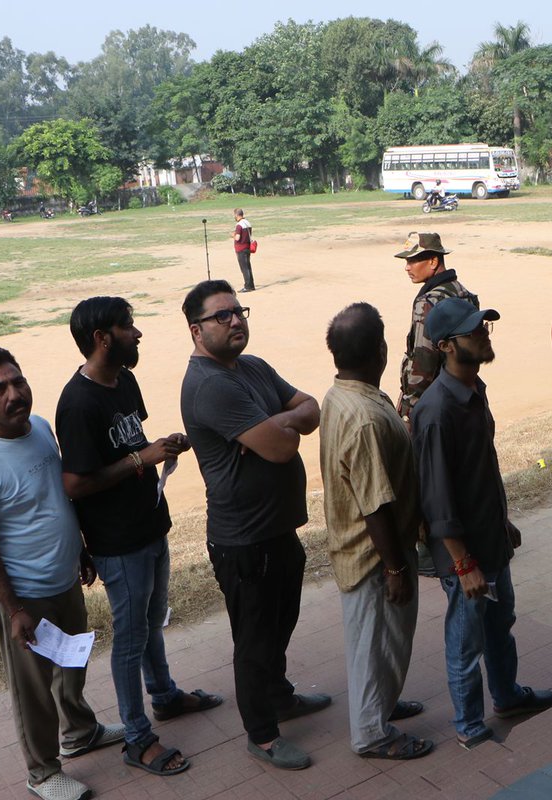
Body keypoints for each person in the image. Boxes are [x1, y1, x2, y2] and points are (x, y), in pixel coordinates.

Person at [55, 297, 223, 778]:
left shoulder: (123, 380)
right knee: (129, 639)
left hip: (149, 523)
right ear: (102, 338)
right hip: (118, 541)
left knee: (152, 621)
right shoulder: (78, 402)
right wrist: (139, 461)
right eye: (127, 327)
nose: (138, 333)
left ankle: (165, 696)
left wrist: (160, 448)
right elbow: (75, 483)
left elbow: (134, 442)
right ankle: (137, 736)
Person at [0, 347, 124, 800]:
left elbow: (57, 498)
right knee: (32, 691)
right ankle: (43, 772)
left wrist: (80, 551)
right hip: (25, 595)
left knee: (71, 666)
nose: (14, 394)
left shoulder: (43, 429)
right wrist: (13, 608)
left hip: (65, 576)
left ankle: (80, 732)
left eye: (18, 381)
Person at [179, 280, 327, 770]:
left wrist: (270, 423)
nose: (236, 320)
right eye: (222, 316)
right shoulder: (209, 385)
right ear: (196, 330)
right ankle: (261, 735)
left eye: (238, 310)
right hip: (243, 540)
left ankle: (280, 695)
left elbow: (311, 408)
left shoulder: (254, 368)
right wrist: (280, 425)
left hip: (276, 530)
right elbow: (287, 445)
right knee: (255, 640)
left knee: (280, 623)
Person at [414, 297, 552, 749]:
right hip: (465, 554)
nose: (483, 335)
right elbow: (436, 497)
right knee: (466, 637)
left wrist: (502, 520)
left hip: (489, 537)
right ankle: (469, 723)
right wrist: (463, 564)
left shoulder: (476, 390)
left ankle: (508, 696)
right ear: (445, 346)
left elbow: (482, 467)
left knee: (500, 622)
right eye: (473, 331)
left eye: (483, 328)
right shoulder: (437, 410)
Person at [318, 302, 432, 761]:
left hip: (365, 548)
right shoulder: (363, 416)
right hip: (372, 556)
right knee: (374, 644)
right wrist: (395, 567)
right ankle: (371, 733)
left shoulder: (344, 393)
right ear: (381, 351)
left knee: (383, 642)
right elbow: (376, 503)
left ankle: (380, 706)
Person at [394, 232, 478, 421]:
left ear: (433, 261)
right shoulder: (464, 293)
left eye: (413, 261)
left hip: (435, 401)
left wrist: (409, 410)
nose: (407, 268)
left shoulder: (428, 302)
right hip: (465, 391)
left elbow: (424, 360)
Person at [232, 208, 255, 293]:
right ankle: (251, 285)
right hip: (247, 247)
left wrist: (232, 236)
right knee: (248, 267)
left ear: (237, 215)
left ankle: (248, 286)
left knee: (244, 268)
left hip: (241, 248)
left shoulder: (239, 225)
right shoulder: (247, 223)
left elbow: (237, 237)